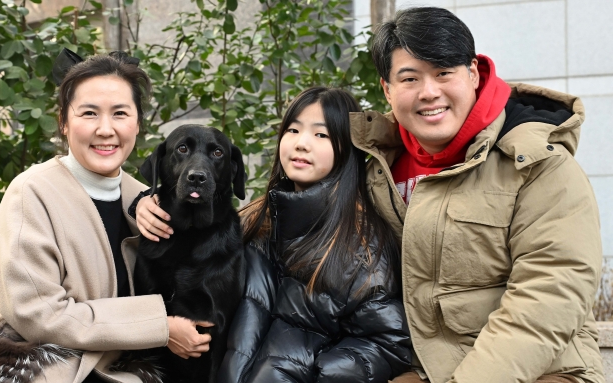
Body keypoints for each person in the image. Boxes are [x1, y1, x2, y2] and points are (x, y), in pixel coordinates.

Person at [350, 6, 603, 383]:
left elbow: (551, 289)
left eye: (443, 73)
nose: (429, 92)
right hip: (419, 366)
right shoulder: (373, 165)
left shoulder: (537, 162)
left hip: (544, 368)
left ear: (472, 74)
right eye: (410, 78)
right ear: (387, 89)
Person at [136, 86, 412, 382]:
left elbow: (389, 344)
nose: (301, 144)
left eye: (321, 135)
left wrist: (313, 374)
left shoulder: (361, 244)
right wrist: (138, 202)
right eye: (293, 130)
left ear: (345, 148)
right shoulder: (254, 222)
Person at [0, 50, 213, 383]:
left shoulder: (142, 199)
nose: (105, 129)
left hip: (119, 362)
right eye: (89, 113)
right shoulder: (32, 193)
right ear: (64, 121)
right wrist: (160, 326)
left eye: (120, 113)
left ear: (138, 123)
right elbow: (39, 315)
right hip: (34, 361)